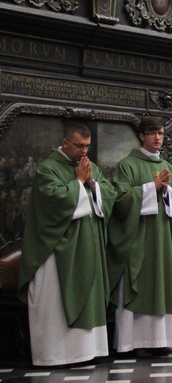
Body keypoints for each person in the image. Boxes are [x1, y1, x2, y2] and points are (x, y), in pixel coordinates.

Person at [17, 122, 117, 366]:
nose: (85, 152)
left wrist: (92, 184)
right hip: (57, 248)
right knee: (57, 298)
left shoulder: (89, 167)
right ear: (65, 143)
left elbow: (109, 192)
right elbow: (53, 200)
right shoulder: (48, 169)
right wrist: (79, 182)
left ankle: (88, 351)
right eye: (80, 146)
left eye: (88, 147)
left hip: (88, 244)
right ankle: (57, 354)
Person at [108, 117, 172, 354]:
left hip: (163, 237)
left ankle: (162, 341)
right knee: (139, 282)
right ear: (142, 136)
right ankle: (133, 342)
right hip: (139, 237)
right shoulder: (128, 166)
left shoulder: (169, 167)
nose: (157, 138)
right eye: (152, 133)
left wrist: (167, 191)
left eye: (161, 134)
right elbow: (120, 199)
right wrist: (151, 188)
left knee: (162, 281)